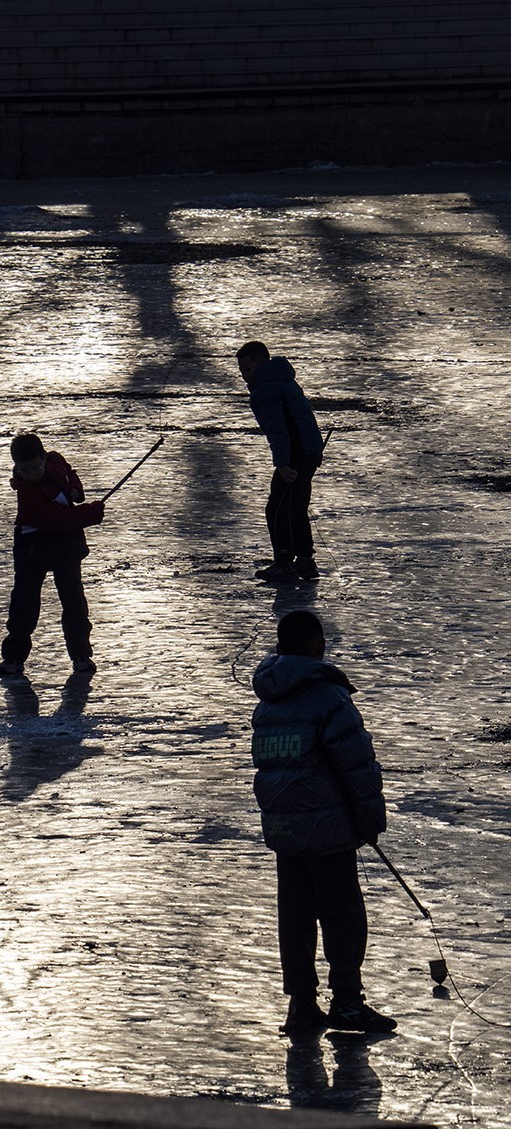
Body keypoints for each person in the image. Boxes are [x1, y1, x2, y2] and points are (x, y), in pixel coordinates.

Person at [250, 609, 397, 1035]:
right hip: (328, 829)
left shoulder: (267, 704)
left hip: (284, 829)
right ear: (319, 647)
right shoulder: (330, 700)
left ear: (280, 650)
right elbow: (356, 766)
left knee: (295, 915)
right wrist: (369, 821)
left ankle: (301, 1005)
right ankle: (347, 1001)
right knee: (342, 915)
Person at [0, 434, 105, 675]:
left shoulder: (55, 461)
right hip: (32, 549)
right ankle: (13, 659)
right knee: (24, 603)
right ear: (16, 467)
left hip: (66, 545)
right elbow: (61, 520)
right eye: (24, 470)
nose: (32, 474)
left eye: (36, 467)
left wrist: (76, 490)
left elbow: (69, 472)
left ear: (45, 458)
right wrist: (92, 513)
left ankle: (81, 656)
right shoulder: (28, 495)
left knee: (74, 601)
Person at [235, 341, 324, 583]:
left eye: (249, 369)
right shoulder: (285, 380)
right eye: (242, 371)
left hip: (295, 455)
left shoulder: (266, 389)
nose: (245, 376)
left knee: (277, 508)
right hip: (310, 451)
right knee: (296, 507)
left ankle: (284, 562)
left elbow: (278, 431)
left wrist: (283, 463)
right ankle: (305, 561)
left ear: (262, 364)